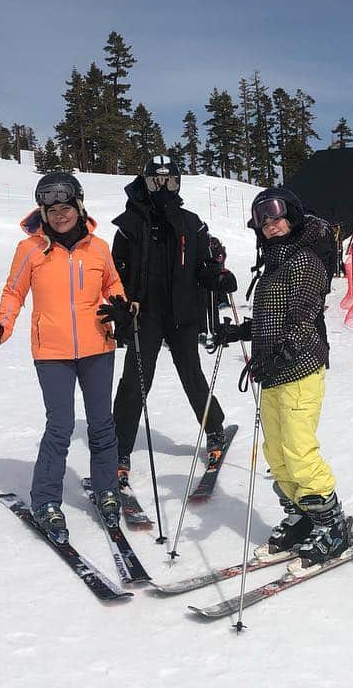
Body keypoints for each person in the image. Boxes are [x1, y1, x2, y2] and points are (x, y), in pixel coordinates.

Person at [0, 172, 130, 541]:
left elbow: (113, 284)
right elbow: (13, 293)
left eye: (65, 207)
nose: (60, 215)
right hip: (51, 351)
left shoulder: (97, 248)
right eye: (52, 209)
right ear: (42, 213)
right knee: (60, 425)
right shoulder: (29, 249)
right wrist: (1, 326)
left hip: (98, 345)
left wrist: (122, 308)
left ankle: (107, 488)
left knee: (102, 424)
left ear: (79, 208)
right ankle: (46, 498)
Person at [215, 187, 349, 568]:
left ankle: (332, 523)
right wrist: (240, 334)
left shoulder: (305, 260)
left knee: (298, 450)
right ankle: (303, 517)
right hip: (272, 371)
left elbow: (305, 316)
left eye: (277, 217)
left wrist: (285, 352)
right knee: (276, 452)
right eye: (264, 220)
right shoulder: (274, 260)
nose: (271, 225)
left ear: (293, 217)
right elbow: (272, 317)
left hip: (300, 368)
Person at [110, 155, 237, 486]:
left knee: (191, 374)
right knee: (136, 379)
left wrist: (217, 277)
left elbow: (203, 265)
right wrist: (122, 308)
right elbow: (114, 274)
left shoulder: (190, 223)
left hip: (182, 313)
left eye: (171, 182)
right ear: (145, 184)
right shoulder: (128, 226)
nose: (164, 188)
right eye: (156, 182)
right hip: (145, 313)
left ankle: (214, 429)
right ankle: (119, 446)